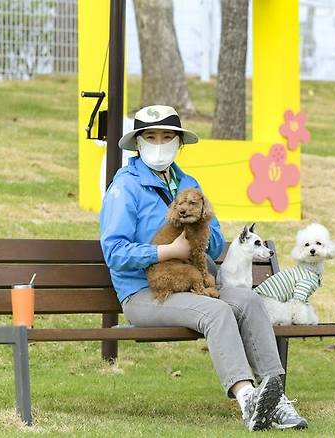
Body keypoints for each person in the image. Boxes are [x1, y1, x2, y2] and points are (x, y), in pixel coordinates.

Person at [100, 105, 308, 431]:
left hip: (195, 281)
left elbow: (214, 245)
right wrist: (167, 250)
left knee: (249, 301)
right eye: (150, 137)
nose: (159, 143)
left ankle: (275, 397)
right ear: (138, 143)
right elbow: (114, 252)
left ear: (178, 143)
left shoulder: (188, 182)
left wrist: (203, 225)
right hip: (145, 293)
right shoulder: (125, 186)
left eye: (167, 137)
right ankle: (248, 399)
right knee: (217, 312)